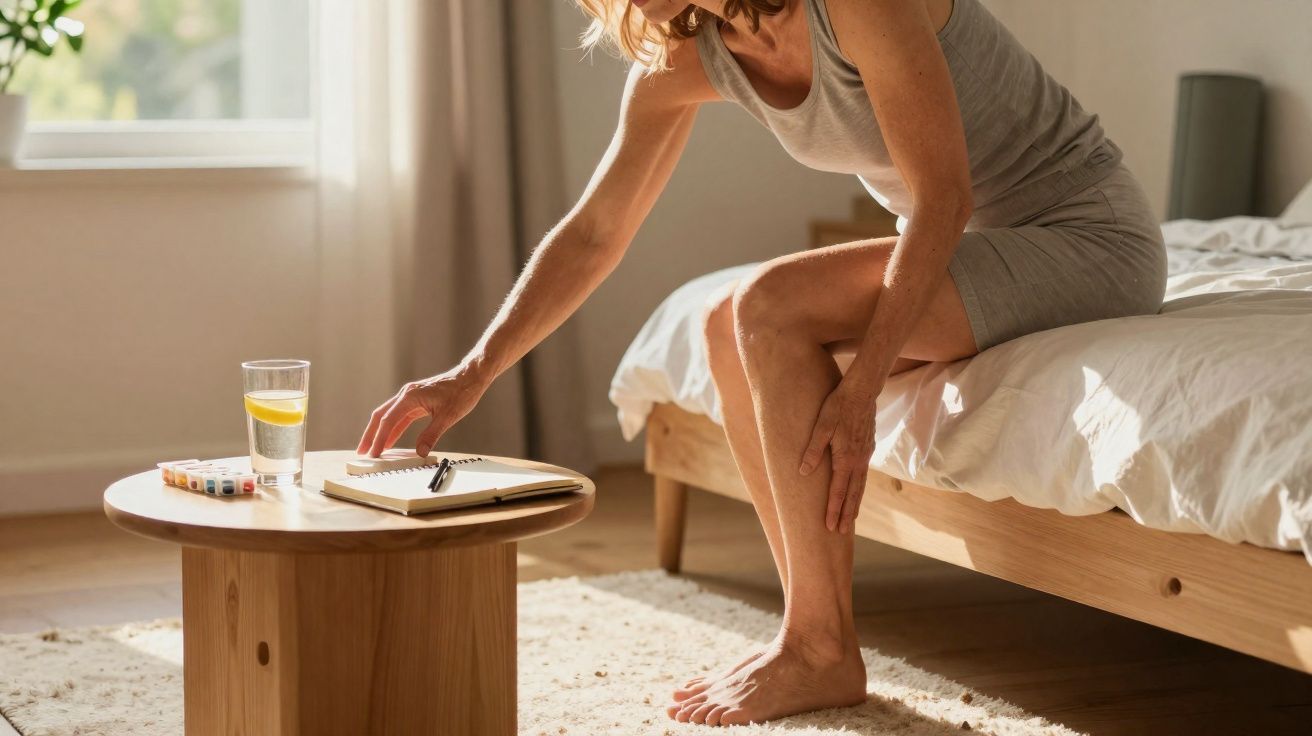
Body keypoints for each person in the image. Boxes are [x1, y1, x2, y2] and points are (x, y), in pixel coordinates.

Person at [356, 0, 1168, 727]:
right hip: (974, 248)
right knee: (723, 326)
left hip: (1083, 237)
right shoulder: (691, 56)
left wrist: (862, 385)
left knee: (768, 302)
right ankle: (813, 631)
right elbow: (595, 232)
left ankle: (819, 648)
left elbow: (943, 196)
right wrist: (472, 372)